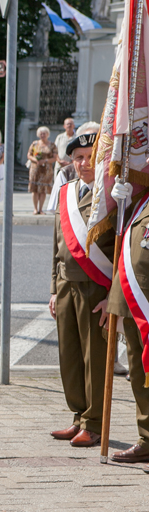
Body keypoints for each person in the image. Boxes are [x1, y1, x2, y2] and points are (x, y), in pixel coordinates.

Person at [48, 132, 114, 448]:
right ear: (71, 161)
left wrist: (113, 298)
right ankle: (78, 415)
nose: (84, 163)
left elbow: (120, 251)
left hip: (95, 287)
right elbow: (57, 246)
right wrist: (53, 289)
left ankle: (94, 422)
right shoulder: (65, 192)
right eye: (78, 158)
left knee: (94, 358)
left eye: (90, 157)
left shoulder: (111, 195)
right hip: (65, 285)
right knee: (70, 355)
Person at [103, 175, 149, 464]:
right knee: (139, 373)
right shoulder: (141, 202)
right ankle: (147, 438)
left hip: (145, 302)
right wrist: (120, 204)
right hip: (134, 303)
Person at [28, 126, 57, 214]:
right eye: (41, 134)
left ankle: (41, 209)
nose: (42, 135)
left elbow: (55, 158)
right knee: (35, 189)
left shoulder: (52, 145)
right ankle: (35, 208)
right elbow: (29, 155)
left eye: (44, 134)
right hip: (35, 169)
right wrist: (35, 160)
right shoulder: (35, 144)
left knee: (43, 189)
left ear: (47, 134)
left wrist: (45, 161)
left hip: (46, 170)